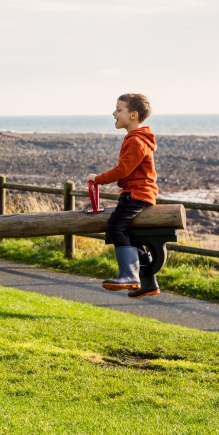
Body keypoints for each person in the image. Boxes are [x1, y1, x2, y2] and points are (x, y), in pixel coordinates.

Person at [86, 94, 159, 298]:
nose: (114, 113)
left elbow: (123, 170)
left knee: (115, 227)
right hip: (141, 194)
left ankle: (129, 275)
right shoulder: (138, 138)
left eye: (119, 110)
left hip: (136, 195)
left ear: (133, 115)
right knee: (132, 235)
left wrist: (98, 178)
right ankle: (148, 283)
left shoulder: (136, 140)